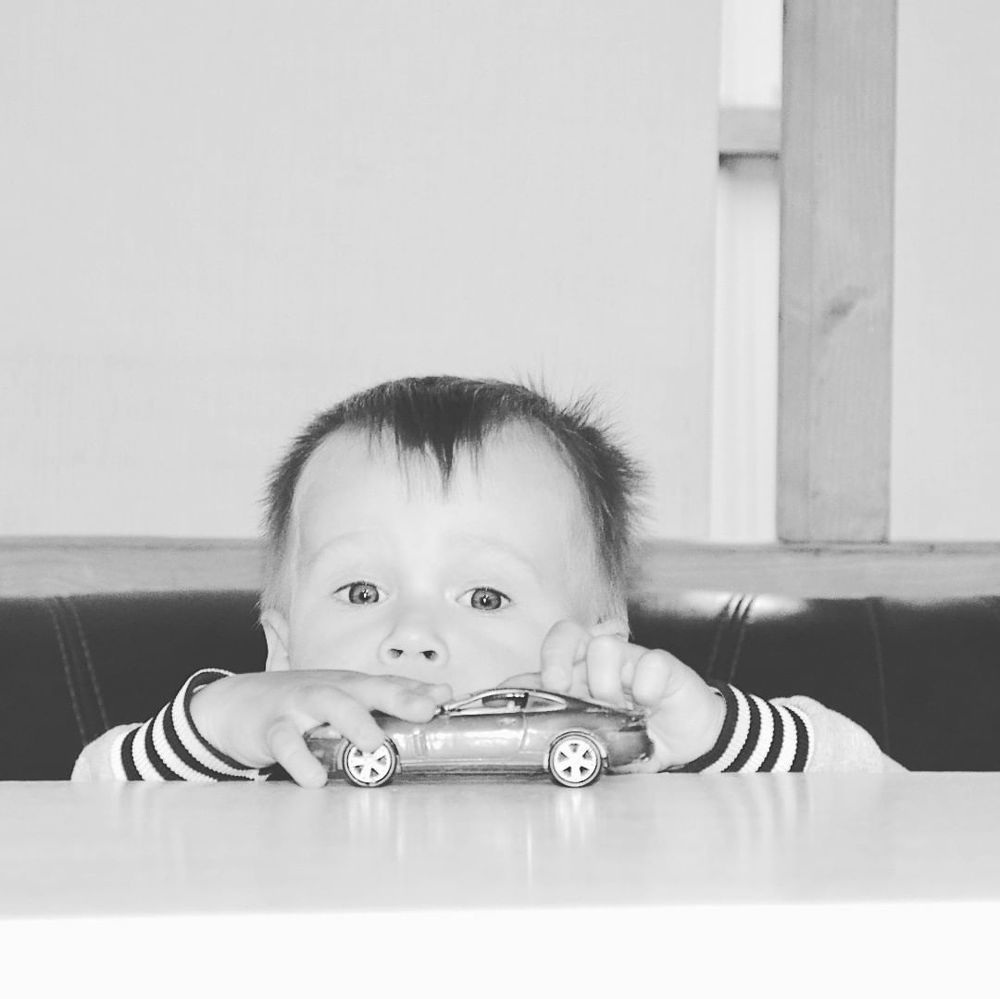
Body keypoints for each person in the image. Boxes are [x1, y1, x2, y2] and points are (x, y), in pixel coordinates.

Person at [72, 375, 903, 783]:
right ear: (281, 649)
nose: (413, 635)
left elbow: (880, 797)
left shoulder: (633, 762)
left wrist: (713, 734)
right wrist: (218, 721)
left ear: (595, 644)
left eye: (485, 596)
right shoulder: (268, 768)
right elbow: (85, 804)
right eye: (360, 592)